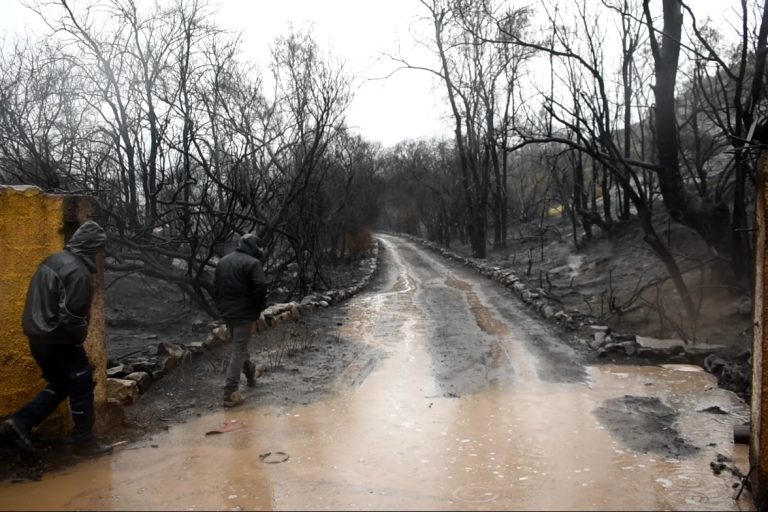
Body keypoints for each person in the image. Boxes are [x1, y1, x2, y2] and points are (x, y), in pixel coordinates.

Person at [0, 220, 113, 458]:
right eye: (98, 249)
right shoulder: (79, 272)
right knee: (81, 381)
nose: (99, 254)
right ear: (92, 247)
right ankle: (85, 443)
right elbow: (72, 317)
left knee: (62, 383)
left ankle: (20, 423)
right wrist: (78, 339)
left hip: (37, 337)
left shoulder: (53, 260)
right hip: (58, 338)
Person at [213, 233, 268, 407]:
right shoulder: (253, 263)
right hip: (245, 313)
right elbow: (261, 285)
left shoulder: (223, 261)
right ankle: (230, 392)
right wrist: (258, 307)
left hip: (228, 312)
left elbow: (216, 287)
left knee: (239, 346)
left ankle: (251, 374)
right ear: (254, 247)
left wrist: (222, 307)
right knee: (238, 350)